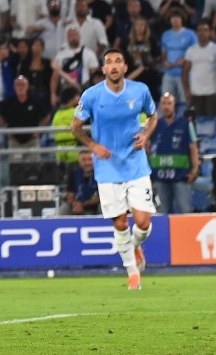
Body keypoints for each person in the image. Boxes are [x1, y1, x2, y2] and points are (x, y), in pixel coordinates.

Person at [70, 49, 157, 291]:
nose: (114, 66)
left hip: (136, 164)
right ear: (104, 69)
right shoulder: (92, 95)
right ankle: (132, 274)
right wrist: (92, 145)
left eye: (118, 61)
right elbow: (75, 126)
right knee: (120, 224)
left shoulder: (139, 90)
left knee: (142, 222)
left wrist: (146, 134)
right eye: (109, 62)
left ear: (125, 67)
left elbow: (153, 116)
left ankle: (137, 245)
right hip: (107, 168)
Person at [149, 92, 198, 215]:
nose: (166, 107)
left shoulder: (186, 124)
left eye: (169, 103)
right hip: (160, 176)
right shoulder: (155, 125)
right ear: (160, 106)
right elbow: (147, 146)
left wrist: (195, 170)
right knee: (163, 212)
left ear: (174, 105)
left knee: (185, 210)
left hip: (181, 175)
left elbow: (193, 147)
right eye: (164, 104)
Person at [60, 150, 100, 216]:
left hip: (95, 205)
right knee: (64, 207)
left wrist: (84, 204)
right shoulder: (74, 173)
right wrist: (74, 203)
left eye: (90, 160)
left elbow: (103, 198)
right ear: (79, 162)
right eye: (84, 160)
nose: (87, 163)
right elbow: (70, 194)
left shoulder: (101, 174)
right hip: (77, 205)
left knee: (103, 207)